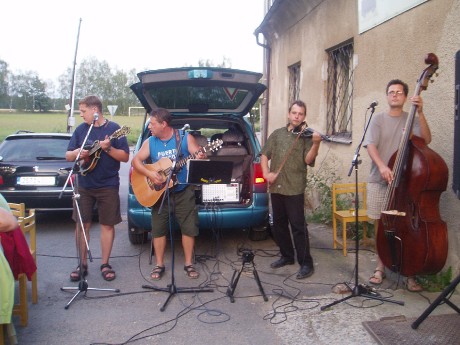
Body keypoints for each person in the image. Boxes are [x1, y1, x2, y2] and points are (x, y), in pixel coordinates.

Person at [363, 79, 431, 292]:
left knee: (406, 227)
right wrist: (383, 167)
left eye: (399, 92)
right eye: (391, 92)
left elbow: (426, 140)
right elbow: (370, 145)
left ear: (405, 97)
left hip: (404, 184)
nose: (394, 95)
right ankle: (380, 266)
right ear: (387, 96)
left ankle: (409, 272)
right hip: (379, 179)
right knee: (380, 224)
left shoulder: (410, 119)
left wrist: (420, 113)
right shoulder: (378, 119)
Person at [131, 108, 206, 280]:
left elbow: (199, 155)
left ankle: (188, 264)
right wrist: (150, 174)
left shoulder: (185, 137)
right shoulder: (151, 141)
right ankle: (159, 265)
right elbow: (136, 161)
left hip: (182, 190)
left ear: (163, 124)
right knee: (158, 229)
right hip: (160, 194)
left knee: (189, 228)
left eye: (152, 123)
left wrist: (201, 156)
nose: (150, 126)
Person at [65, 95, 129, 282]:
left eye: (83, 111)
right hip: (84, 184)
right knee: (82, 225)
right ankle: (82, 263)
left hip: (108, 185)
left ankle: (105, 263)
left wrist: (108, 149)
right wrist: (78, 153)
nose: (81, 115)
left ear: (95, 111)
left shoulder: (115, 130)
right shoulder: (81, 130)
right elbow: (69, 156)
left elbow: (125, 157)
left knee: (107, 224)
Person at [260, 100, 321, 279]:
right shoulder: (277, 134)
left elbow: (308, 160)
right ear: (289, 114)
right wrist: (265, 173)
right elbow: (264, 154)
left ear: (304, 117)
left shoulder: (306, 136)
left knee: (298, 226)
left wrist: (316, 144)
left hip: (294, 186)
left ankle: (306, 263)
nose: (297, 116)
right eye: (294, 113)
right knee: (278, 225)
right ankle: (287, 256)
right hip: (276, 187)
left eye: (300, 114)